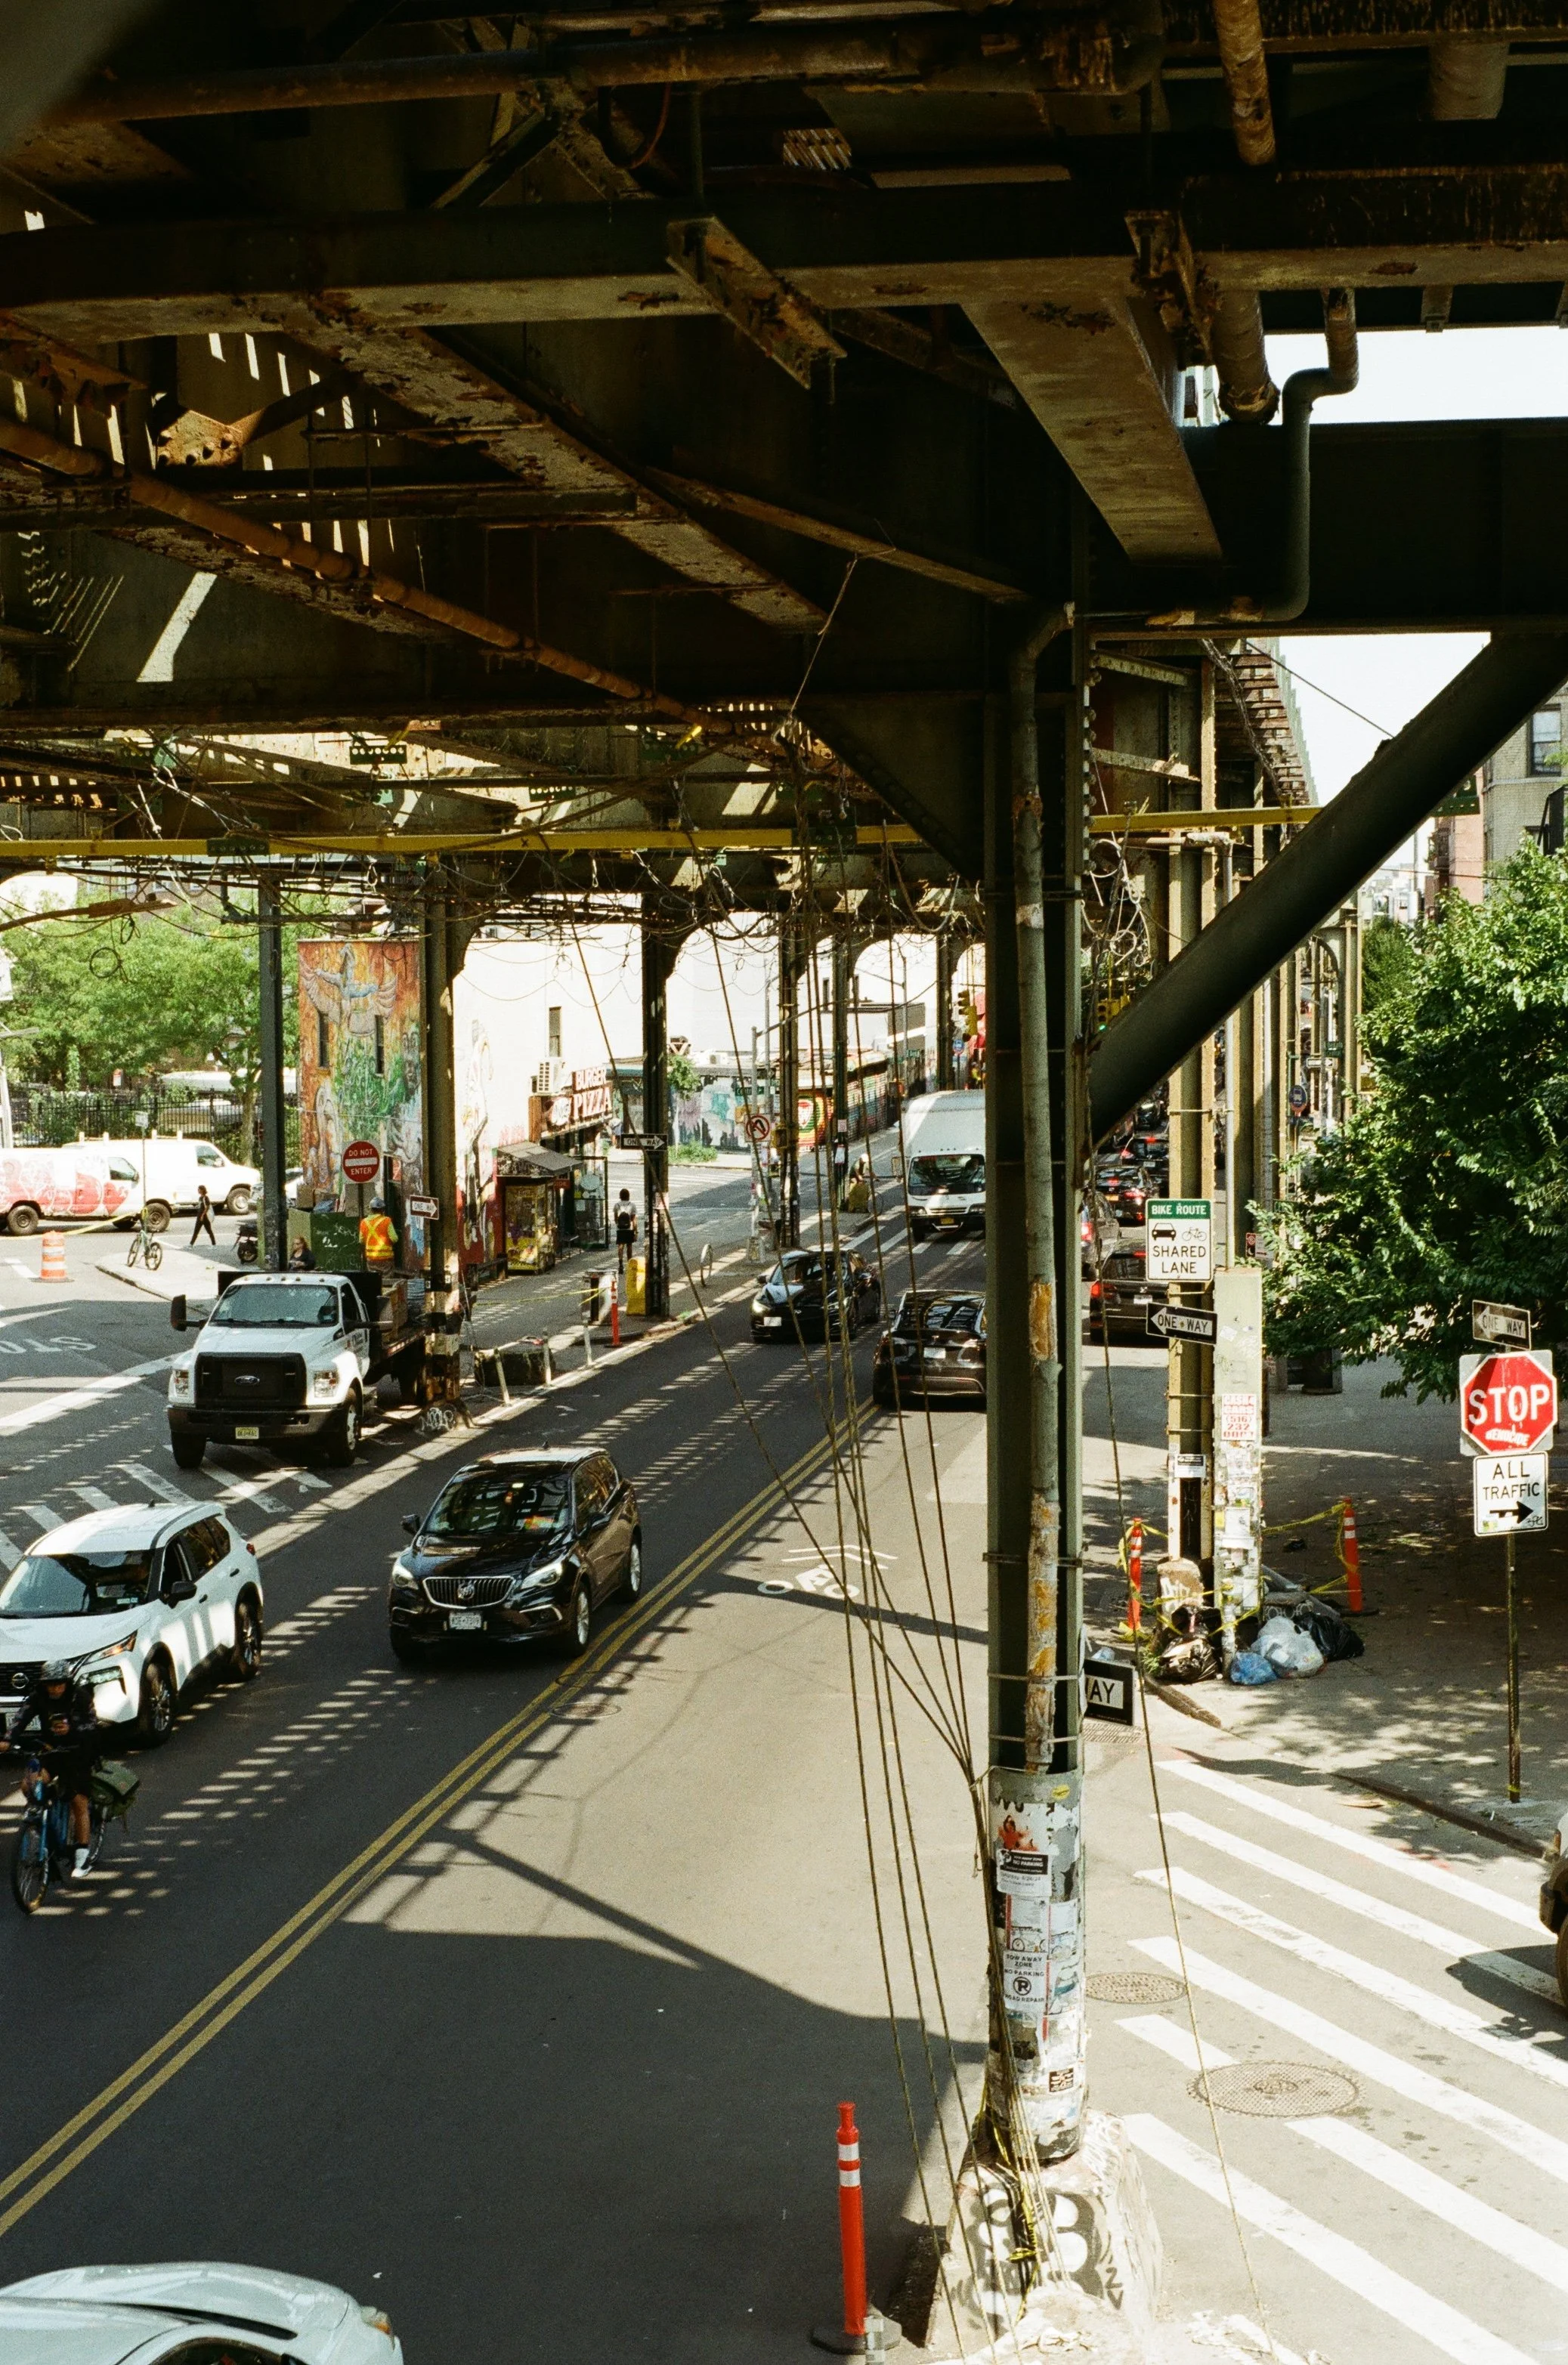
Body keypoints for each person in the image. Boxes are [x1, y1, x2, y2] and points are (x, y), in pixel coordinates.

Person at [6, 1660, 104, 1878]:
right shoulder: (37, 1698)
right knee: (28, 1786)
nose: (55, 1688)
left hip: (78, 1754)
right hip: (51, 1752)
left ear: (66, 1682)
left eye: (59, 1683)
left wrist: (72, 1728)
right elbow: (20, 1718)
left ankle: (82, 1856)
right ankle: (46, 1818)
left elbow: (91, 1727)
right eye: (50, 1684)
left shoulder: (80, 1698)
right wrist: (7, 1739)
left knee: (79, 1801)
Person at [360, 1195, 398, 1266]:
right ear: (382, 1210)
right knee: (386, 1277)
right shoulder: (387, 1221)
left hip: (371, 1259)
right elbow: (394, 1239)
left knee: (373, 1278)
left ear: (371, 1210)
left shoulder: (364, 1222)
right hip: (386, 1259)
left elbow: (361, 1240)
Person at [614, 1188, 638, 1272]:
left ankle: (620, 1264)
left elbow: (615, 1219)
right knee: (629, 1246)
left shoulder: (617, 1205)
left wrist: (620, 1224)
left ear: (620, 1196)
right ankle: (629, 1264)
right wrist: (635, 1231)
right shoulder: (632, 1205)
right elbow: (634, 1219)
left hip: (620, 1229)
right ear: (628, 1196)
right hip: (629, 1229)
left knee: (621, 1246)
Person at [190, 1182, 216, 1246]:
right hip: (199, 1217)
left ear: (202, 1190)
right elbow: (201, 1206)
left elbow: (207, 1207)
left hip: (205, 1217)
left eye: (199, 1189)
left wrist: (202, 1215)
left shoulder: (206, 1198)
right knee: (196, 1231)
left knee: (209, 1231)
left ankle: (214, 1244)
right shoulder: (200, 1198)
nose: (198, 1191)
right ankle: (191, 1244)